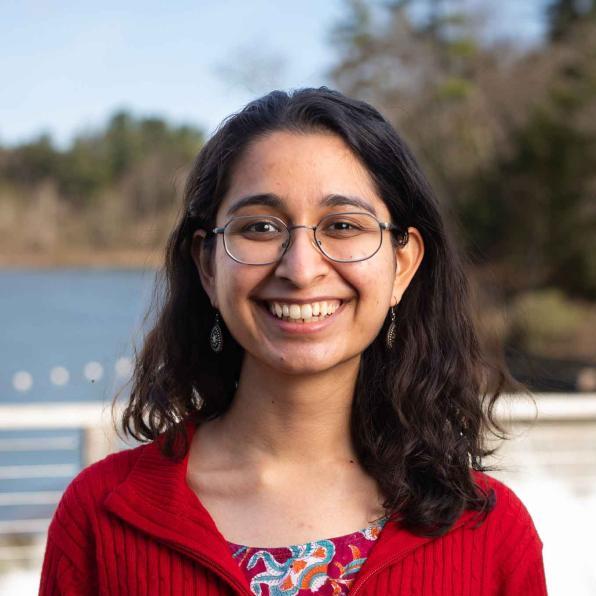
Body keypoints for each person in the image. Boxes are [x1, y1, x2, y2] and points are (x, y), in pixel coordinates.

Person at [39, 87, 547, 595]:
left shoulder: (491, 532)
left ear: (403, 266)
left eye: (343, 225)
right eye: (260, 227)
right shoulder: (101, 516)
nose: (301, 269)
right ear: (207, 267)